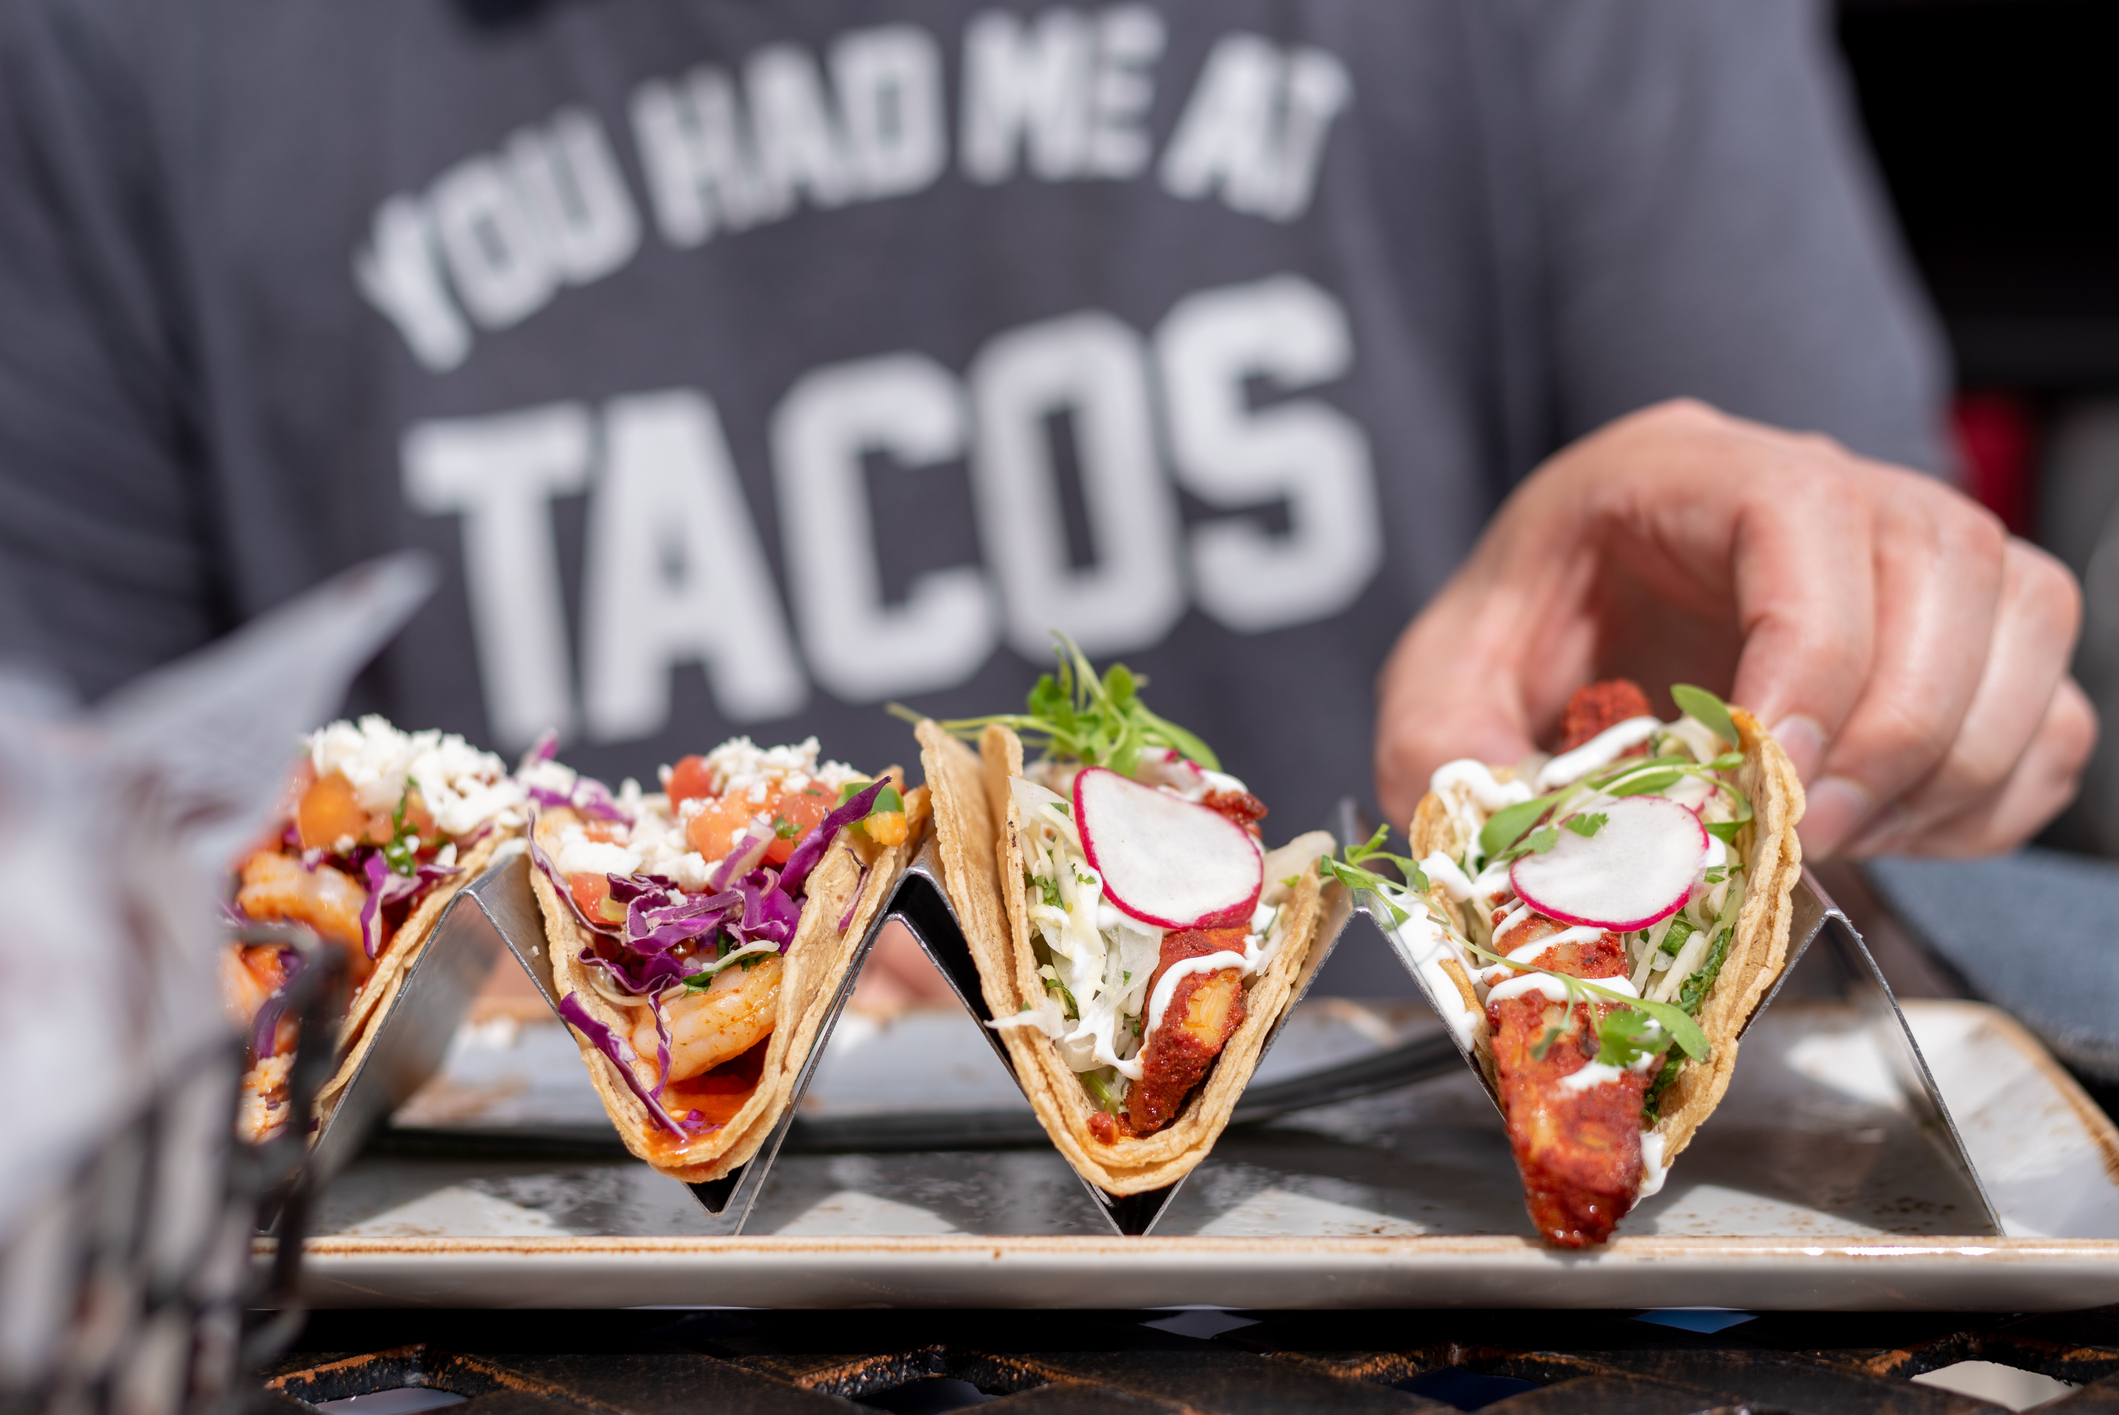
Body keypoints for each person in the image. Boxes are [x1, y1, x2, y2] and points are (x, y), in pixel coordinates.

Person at [0, 0, 2090, 998]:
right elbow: (49, 896)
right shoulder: (126, 61)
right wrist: (474, 959)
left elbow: (1940, 763)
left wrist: (1823, 698)